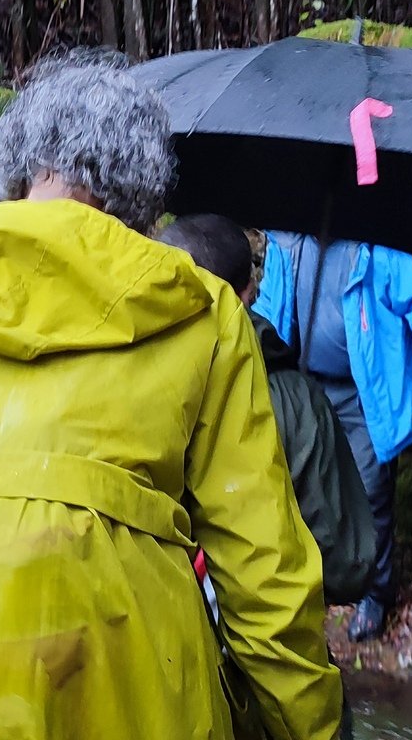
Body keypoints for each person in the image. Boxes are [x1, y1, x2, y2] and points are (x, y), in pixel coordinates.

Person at [0, 50, 343, 740]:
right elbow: (264, 575)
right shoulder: (205, 313)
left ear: (15, 167)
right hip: (123, 690)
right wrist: (309, 722)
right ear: (142, 189)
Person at [252, 229, 412, 642]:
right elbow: (267, 305)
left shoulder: (378, 248)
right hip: (302, 384)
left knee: (369, 495)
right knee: (294, 484)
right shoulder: (286, 241)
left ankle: (374, 593)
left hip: (365, 395)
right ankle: (311, 581)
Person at [159, 213, 377, 607]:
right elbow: (345, 562)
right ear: (247, 293)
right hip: (256, 629)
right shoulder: (291, 401)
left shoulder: (106, 370)